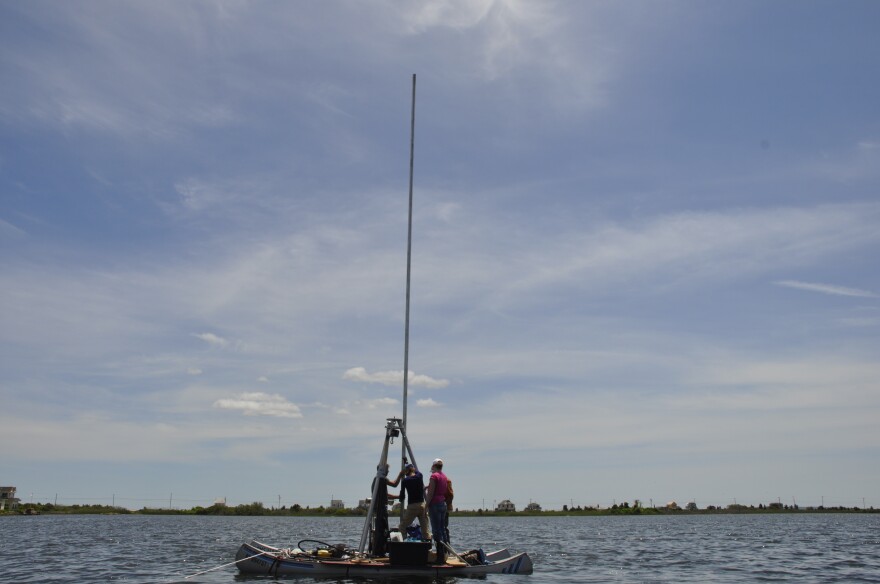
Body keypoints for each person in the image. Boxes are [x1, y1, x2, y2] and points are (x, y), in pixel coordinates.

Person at [386, 462, 430, 541]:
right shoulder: (420, 476)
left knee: (402, 527)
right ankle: (427, 548)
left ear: (406, 472)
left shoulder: (405, 481)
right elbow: (416, 471)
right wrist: (407, 464)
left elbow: (402, 496)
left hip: (412, 506)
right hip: (422, 505)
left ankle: (405, 544)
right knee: (425, 530)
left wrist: (399, 498)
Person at [425, 458, 450, 563]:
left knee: (436, 530)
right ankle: (445, 553)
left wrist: (426, 505)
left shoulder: (434, 476)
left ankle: (439, 557)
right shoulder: (444, 476)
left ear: (434, 466)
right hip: (442, 504)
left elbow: (430, 493)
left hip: (435, 505)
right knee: (442, 529)